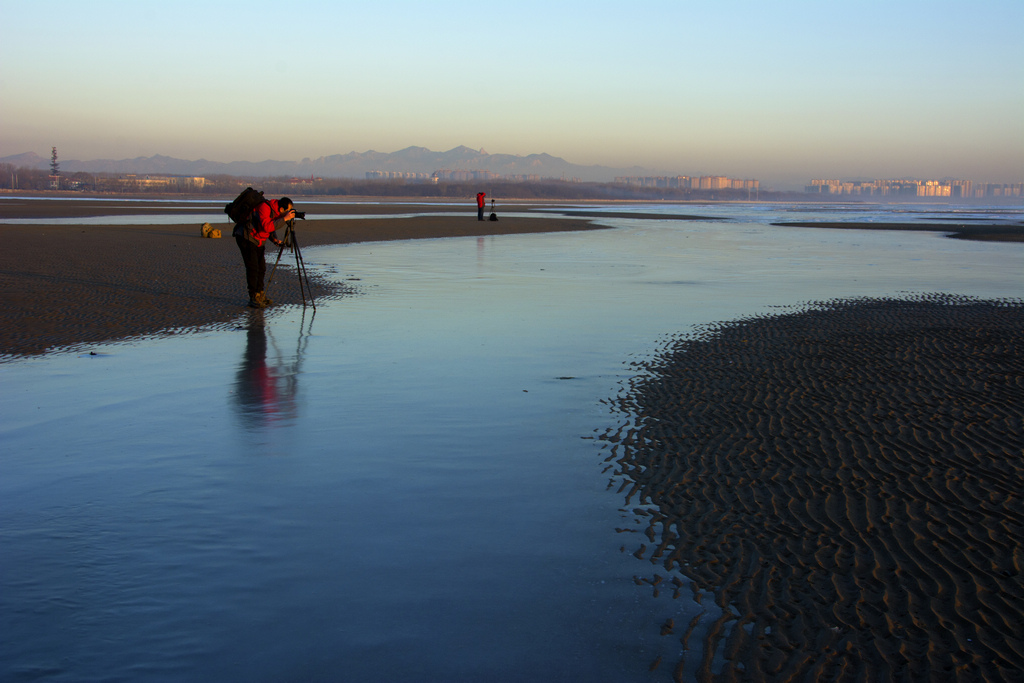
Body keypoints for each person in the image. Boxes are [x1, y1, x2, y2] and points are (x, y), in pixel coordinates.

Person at [234, 196, 295, 308]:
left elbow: (270, 226)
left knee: (261, 268)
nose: (288, 213)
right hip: (246, 237)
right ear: (281, 209)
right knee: (253, 268)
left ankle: (260, 294)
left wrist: (274, 239)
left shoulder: (275, 211)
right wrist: (285, 219)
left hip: (258, 239)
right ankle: (253, 297)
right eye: (287, 211)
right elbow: (267, 226)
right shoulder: (265, 207)